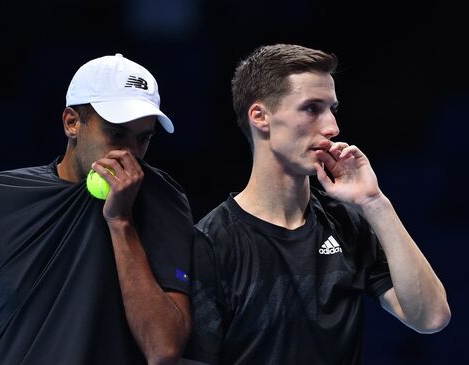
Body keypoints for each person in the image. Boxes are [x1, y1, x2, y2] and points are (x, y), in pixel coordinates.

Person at [183, 44, 451, 364]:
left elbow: (430, 317)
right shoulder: (212, 244)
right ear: (260, 117)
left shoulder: (346, 222)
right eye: (312, 108)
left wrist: (374, 202)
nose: (332, 128)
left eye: (332, 109)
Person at [0, 53, 193, 364]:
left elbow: (163, 349)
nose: (129, 154)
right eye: (116, 134)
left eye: (143, 138)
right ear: (72, 123)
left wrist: (121, 221)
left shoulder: (162, 199)